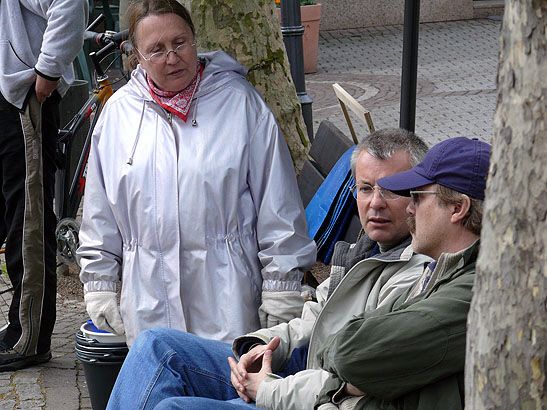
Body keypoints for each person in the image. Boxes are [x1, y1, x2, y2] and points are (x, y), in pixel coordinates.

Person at [105, 128, 433, 409]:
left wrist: (268, 387)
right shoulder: (366, 248)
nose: (375, 203)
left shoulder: (416, 271)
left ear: (418, 194)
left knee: (172, 408)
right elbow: (317, 315)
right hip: (297, 371)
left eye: (391, 189)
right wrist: (260, 346)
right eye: (365, 188)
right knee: (155, 346)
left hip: (317, 397)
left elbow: (352, 378)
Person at [77, 0, 316, 346]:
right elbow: (100, 212)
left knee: (226, 378)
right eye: (156, 49)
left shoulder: (240, 103)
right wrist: (99, 284)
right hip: (149, 304)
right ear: (136, 56)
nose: (172, 57)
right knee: (161, 377)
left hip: (228, 299)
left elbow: (278, 204)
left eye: (180, 43)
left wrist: (282, 287)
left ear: (194, 39)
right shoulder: (118, 115)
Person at [314, 136, 490, 410]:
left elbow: (350, 355)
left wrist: (344, 383)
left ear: (458, 208)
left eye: (417, 197)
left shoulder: (476, 292)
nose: (409, 208)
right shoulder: (438, 272)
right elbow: (341, 344)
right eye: (364, 189)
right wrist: (345, 384)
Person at [0, 0, 88, 371]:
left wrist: (47, 71)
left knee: (28, 219)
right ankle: (20, 327)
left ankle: (29, 337)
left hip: (20, 98)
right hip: (12, 93)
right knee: (17, 216)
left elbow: (68, 4)